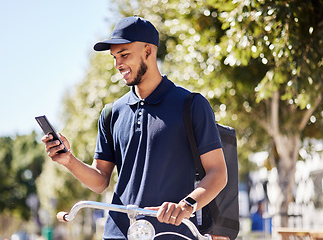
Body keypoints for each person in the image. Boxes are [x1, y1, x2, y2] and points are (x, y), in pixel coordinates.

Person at [42, 16, 227, 239]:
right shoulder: (111, 113)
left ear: (148, 51)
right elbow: (101, 180)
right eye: (114, 57)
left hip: (172, 234)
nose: (118, 64)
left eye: (124, 55)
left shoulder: (191, 105)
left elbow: (218, 173)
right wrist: (68, 160)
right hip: (118, 234)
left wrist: (186, 206)